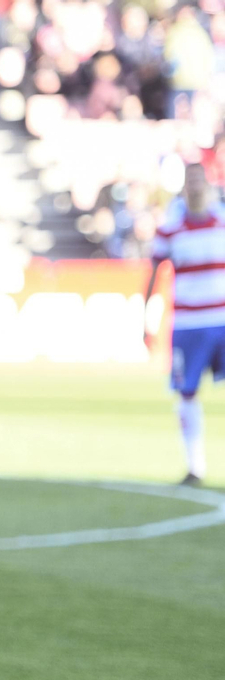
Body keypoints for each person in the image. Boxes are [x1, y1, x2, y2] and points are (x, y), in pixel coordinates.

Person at [144, 162, 225, 486]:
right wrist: (145, 317)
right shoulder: (170, 229)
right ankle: (196, 467)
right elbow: (152, 272)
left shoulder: (221, 221)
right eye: (189, 181)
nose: (194, 186)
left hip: (221, 319)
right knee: (187, 393)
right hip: (188, 324)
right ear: (183, 187)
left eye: (198, 180)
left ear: (206, 184)